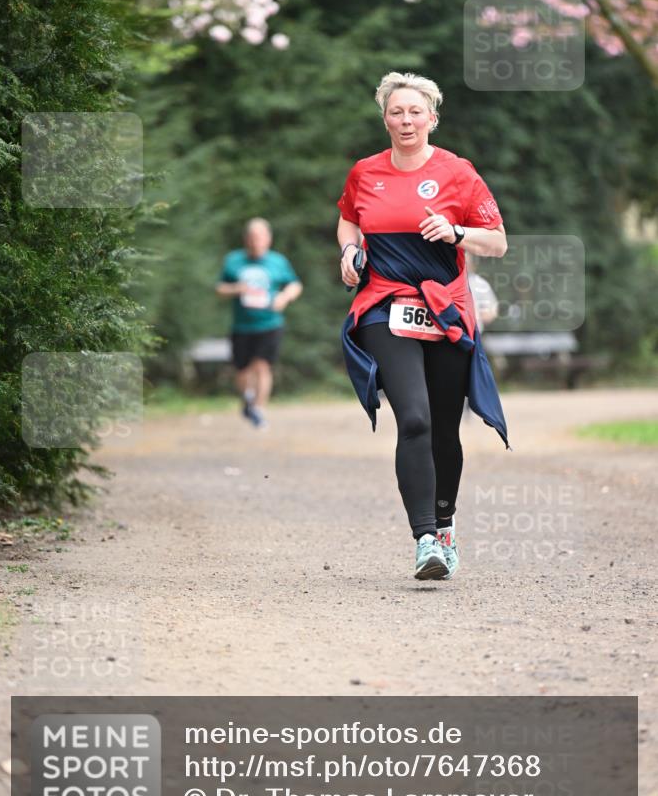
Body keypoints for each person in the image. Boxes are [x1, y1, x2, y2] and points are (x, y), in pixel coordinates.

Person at [337, 71, 509, 582]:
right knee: (413, 417)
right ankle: (425, 539)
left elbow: (497, 241)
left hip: (445, 308)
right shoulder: (365, 172)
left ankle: (446, 523)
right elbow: (348, 218)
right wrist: (349, 250)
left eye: (415, 112)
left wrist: (456, 232)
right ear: (385, 119)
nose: (406, 120)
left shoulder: (458, 173)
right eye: (397, 112)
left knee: (443, 428)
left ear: (432, 118)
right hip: (385, 305)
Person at [216, 218, 302, 427]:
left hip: (270, 323)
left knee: (263, 366)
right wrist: (236, 289)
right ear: (246, 239)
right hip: (242, 325)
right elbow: (220, 288)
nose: (256, 242)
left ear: (268, 239)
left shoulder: (278, 261)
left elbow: (295, 284)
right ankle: (247, 399)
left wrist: (284, 297)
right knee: (242, 370)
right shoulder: (233, 260)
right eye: (253, 237)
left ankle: (258, 409)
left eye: (261, 237)